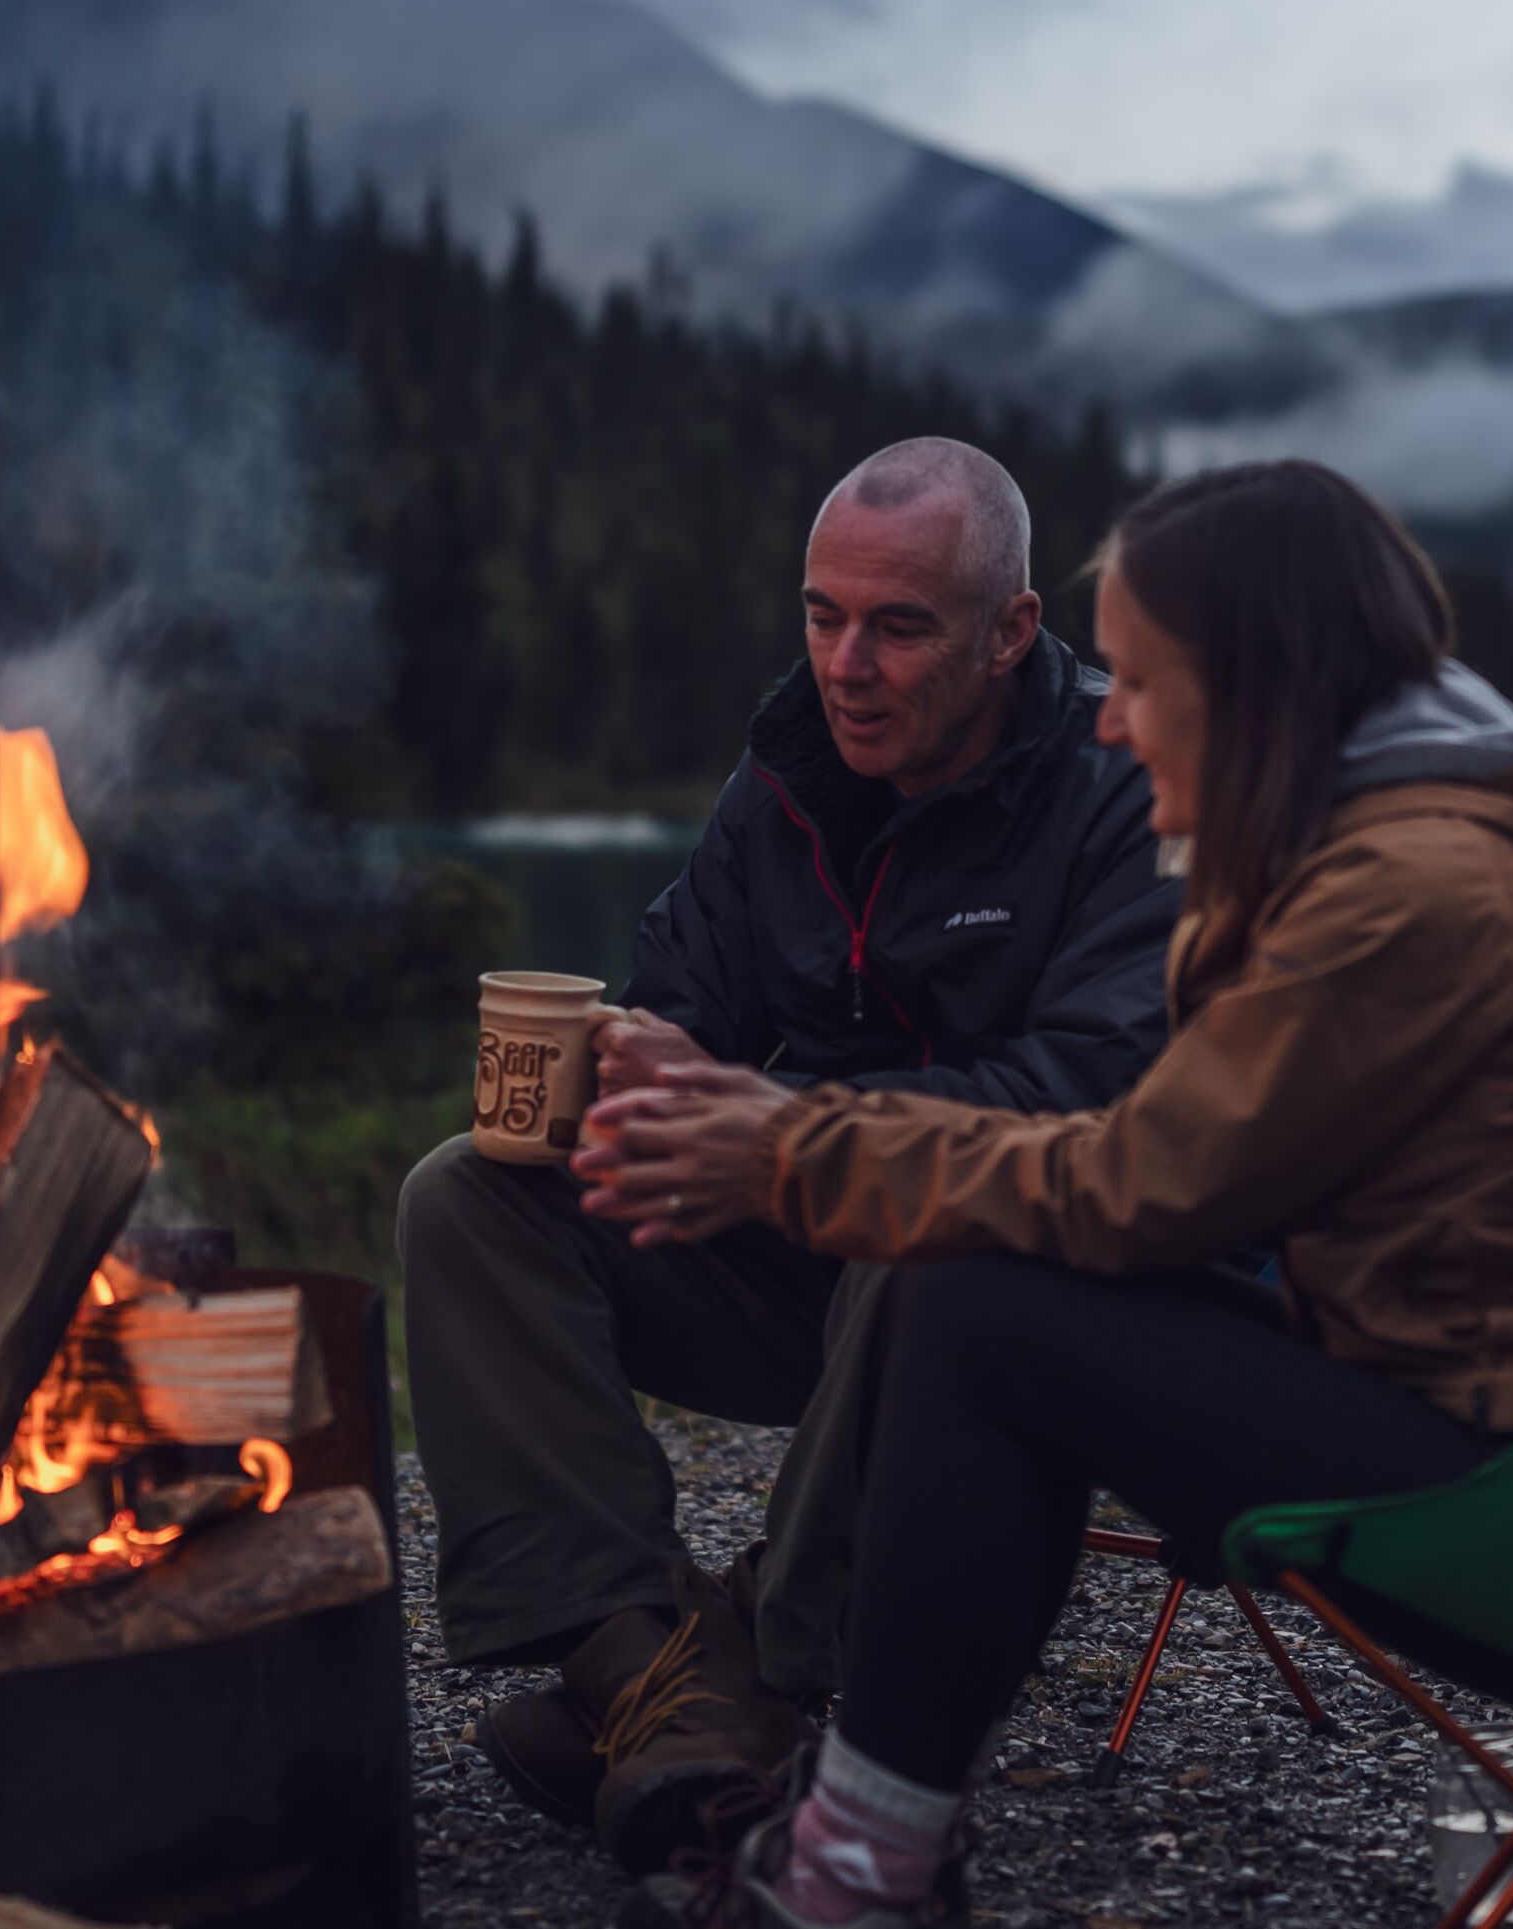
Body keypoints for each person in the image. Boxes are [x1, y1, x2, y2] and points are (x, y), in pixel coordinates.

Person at [573, 458, 1513, 1929]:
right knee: (1012, 1279)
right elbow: (1192, 1169)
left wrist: (780, 1144)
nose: (1107, 716)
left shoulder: (1405, 893)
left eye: (1144, 680)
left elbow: (1135, 1185)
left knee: (984, 1306)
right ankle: (802, 1772)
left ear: (1254, 689)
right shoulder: (1395, 839)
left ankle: (848, 1863)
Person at [401, 435, 1180, 1872]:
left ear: (1011, 630)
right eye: (821, 617)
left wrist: (792, 1137)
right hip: (797, 1250)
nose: (846, 665)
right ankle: (650, 1661)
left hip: (1017, 1281)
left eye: (898, 626)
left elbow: (1097, 1101)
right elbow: (680, 1005)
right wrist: (619, 1075)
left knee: (930, 1232)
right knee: (471, 1191)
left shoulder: (1112, 786)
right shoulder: (790, 782)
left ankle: (756, 1672)